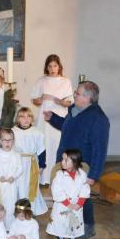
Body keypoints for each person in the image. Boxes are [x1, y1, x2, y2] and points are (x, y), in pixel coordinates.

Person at [45, 81, 110, 239]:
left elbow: (100, 150)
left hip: (82, 165)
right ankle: (67, 225)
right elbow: (69, 127)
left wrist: (93, 175)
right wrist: (53, 118)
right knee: (67, 195)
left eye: (78, 93)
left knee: (82, 198)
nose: (74, 94)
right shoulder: (75, 111)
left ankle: (87, 227)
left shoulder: (98, 119)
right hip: (67, 162)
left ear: (88, 98)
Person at [31, 54, 74, 185]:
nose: (52, 68)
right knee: (43, 145)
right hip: (45, 117)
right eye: (50, 66)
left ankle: (57, 177)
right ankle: (42, 178)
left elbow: (69, 102)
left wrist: (58, 101)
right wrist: (41, 98)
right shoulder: (42, 80)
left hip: (59, 117)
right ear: (46, 67)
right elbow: (35, 100)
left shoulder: (65, 81)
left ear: (59, 66)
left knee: (57, 145)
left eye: (55, 65)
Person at [47, 149, 90, 239]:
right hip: (62, 205)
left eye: (66, 160)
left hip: (76, 206)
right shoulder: (59, 175)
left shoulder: (82, 175)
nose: (62, 161)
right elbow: (56, 190)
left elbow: (85, 189)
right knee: (60, 223)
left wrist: (79, 203)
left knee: (73, 224)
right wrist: (67, 203)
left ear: (74, 162)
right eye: (62, 159)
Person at [12, 107, 48, 216]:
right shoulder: (13, 131)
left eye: (29, 116)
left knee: (30, 187)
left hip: (31, 163)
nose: (26, 119)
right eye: (22, 117)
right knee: (17, 186)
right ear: (18, 119)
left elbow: (42, 150)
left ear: (32, 119)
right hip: (17, 162)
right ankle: (18, 210)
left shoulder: (37, 132)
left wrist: (41, 166)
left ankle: (30, 210)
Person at [0, 128, 23, 228]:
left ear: (13, 141)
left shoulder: (16, 155)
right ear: (0, 141)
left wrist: (14, 177)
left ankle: (9, 227)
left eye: (10, 140)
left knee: (10, 206)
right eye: (4, 140)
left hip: (11, 185)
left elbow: (20, 168)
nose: (7, 142)